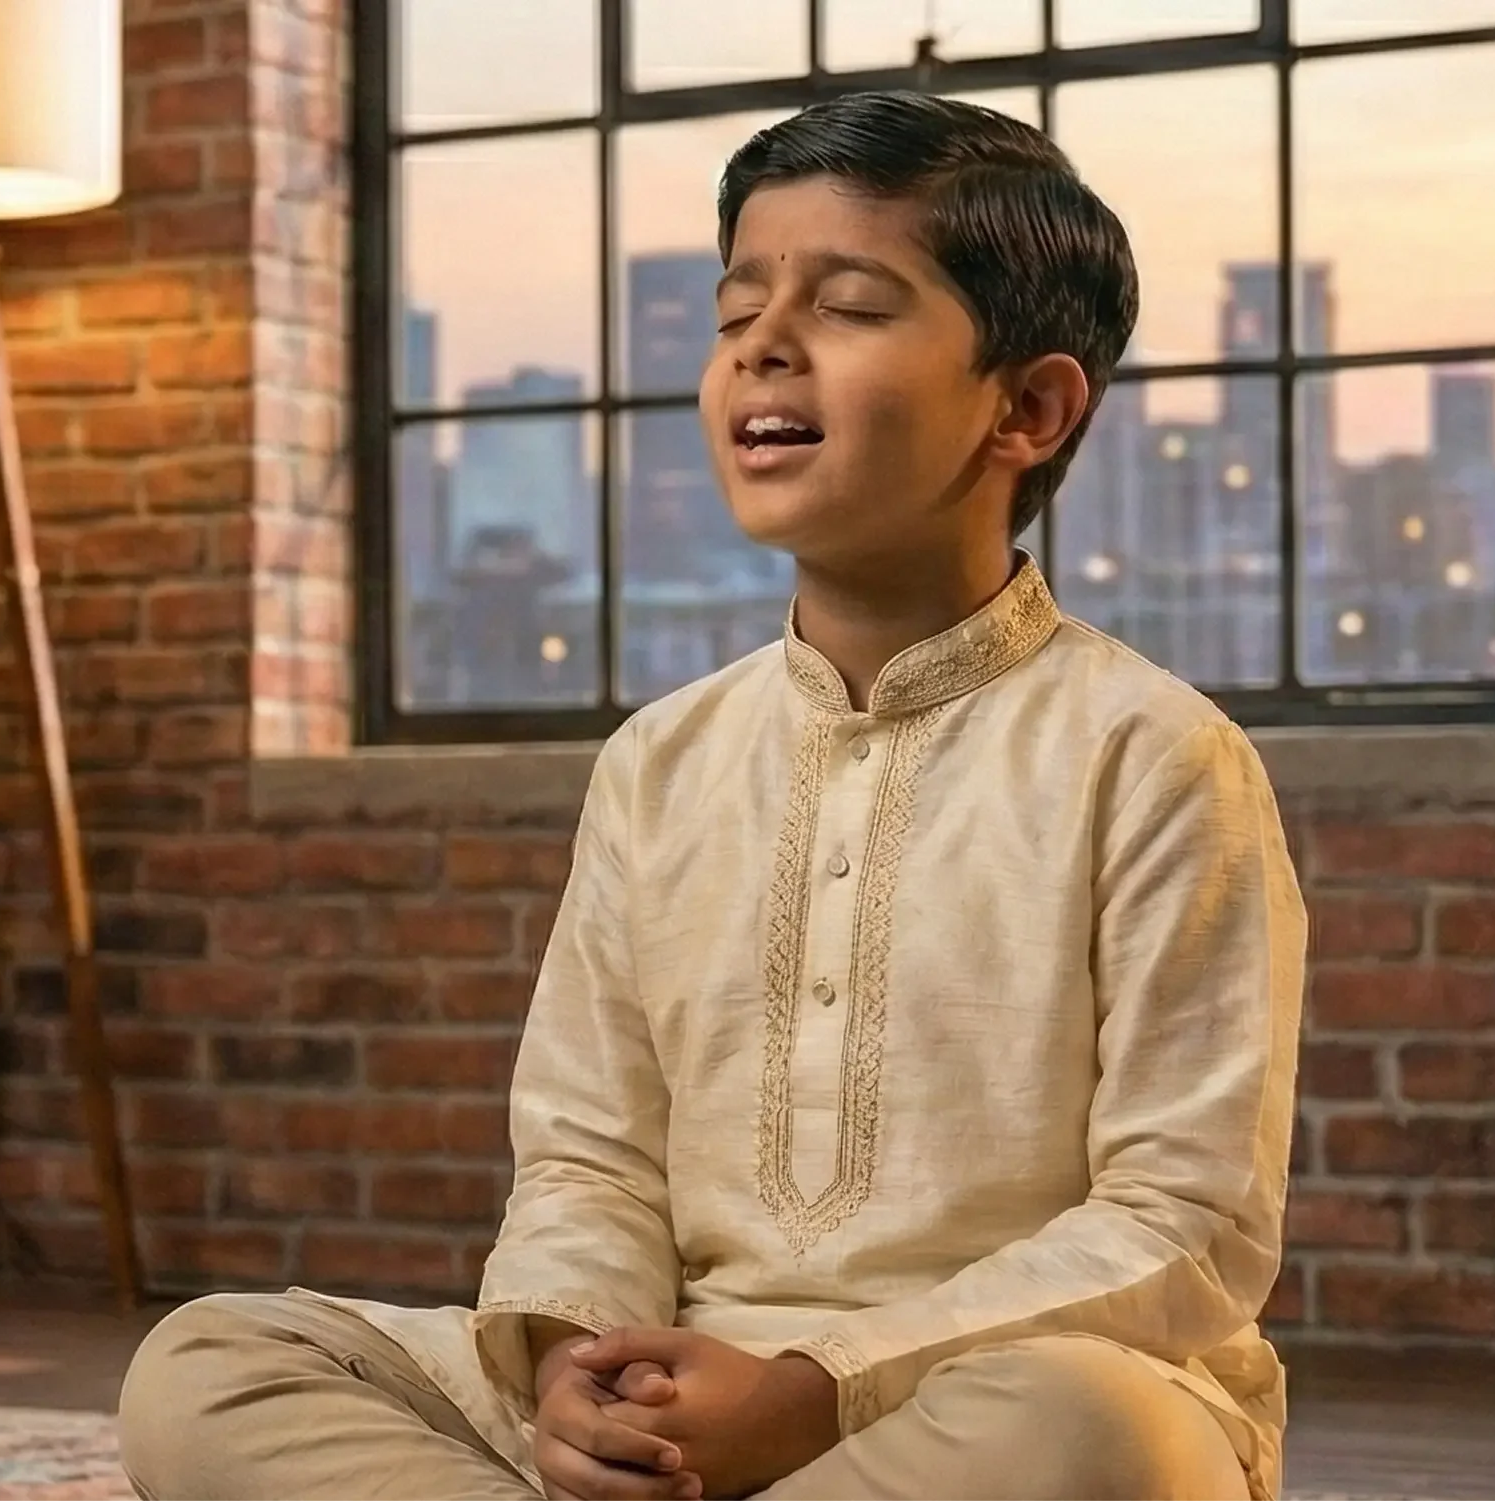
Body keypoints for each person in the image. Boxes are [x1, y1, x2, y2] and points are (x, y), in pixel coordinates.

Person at [117, 89, 1306, 1501]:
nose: (764, 345)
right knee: (208, 1367)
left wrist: (817, 1393)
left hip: (966, 1404)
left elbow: (1185, 1227)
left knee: (1105, 1439)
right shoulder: (660, 761)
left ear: (1029, 407)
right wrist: (578, 1369)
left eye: (852, 304)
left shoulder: (1154, 754)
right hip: (681, 1396)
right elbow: (590, 1159)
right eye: (739, 306)